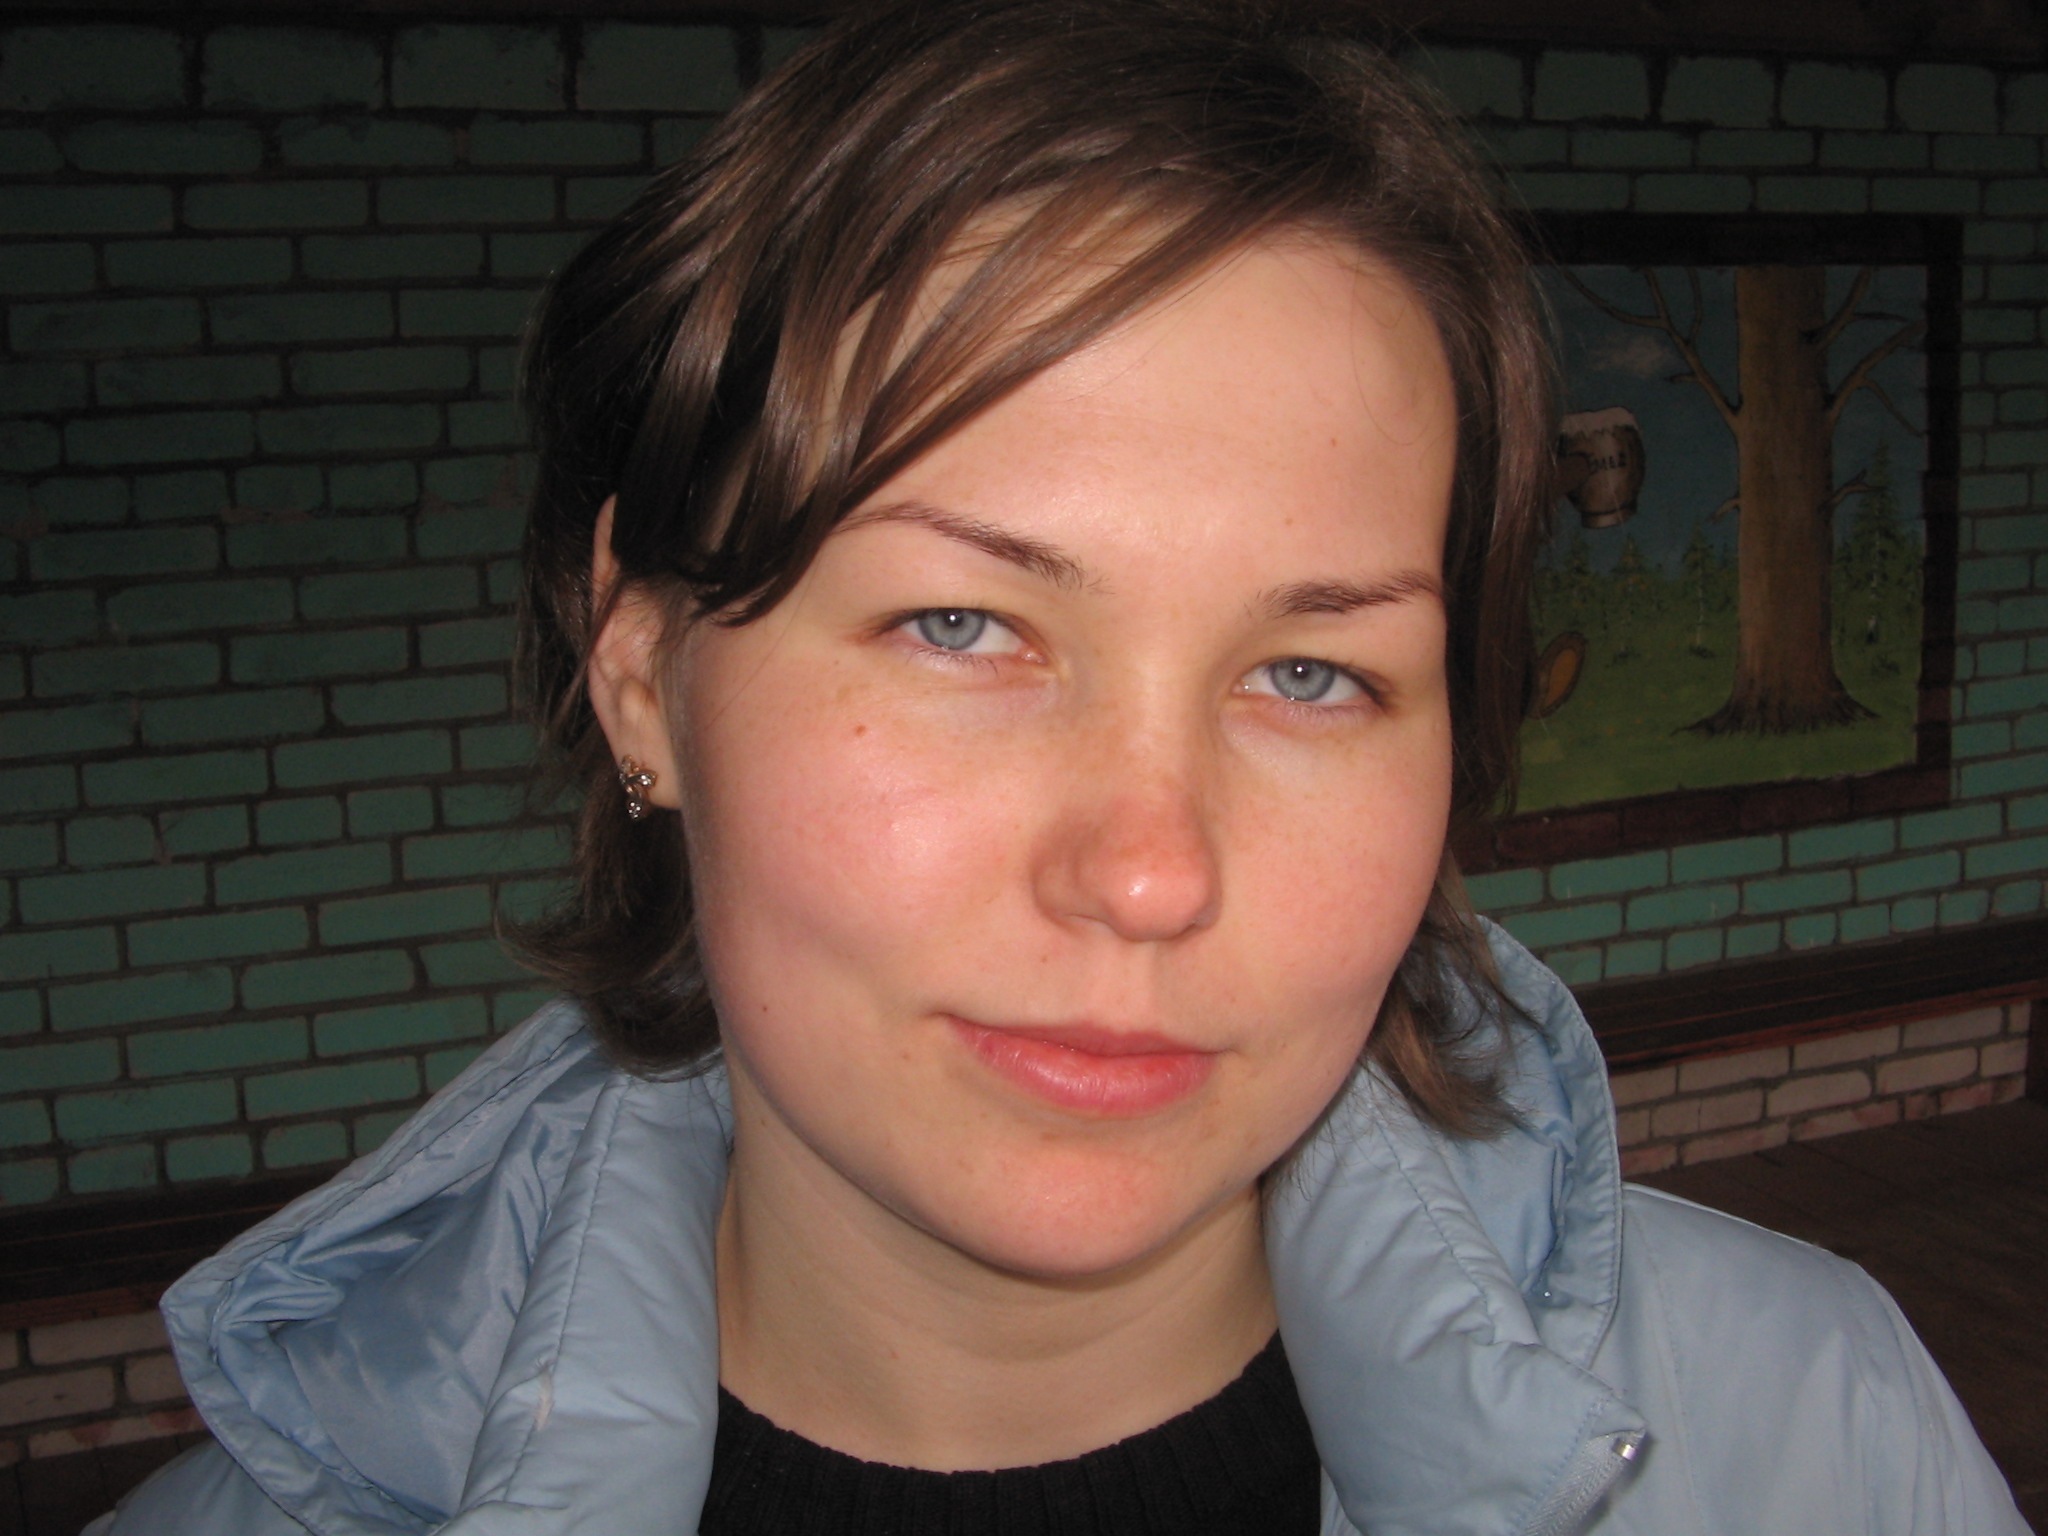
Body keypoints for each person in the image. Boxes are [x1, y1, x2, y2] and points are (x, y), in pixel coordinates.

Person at [91, 2, 2024, 1532]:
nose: (1153, 871)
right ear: (645, 669)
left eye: (1310, 673)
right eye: (963, 626)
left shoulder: (1811, 1433)